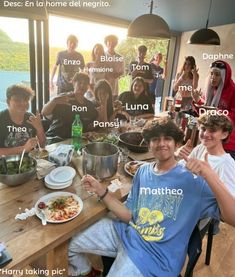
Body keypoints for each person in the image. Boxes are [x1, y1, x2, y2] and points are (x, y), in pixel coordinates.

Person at [68, 119, 235, 277]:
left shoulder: (194, 181)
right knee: (71, 243)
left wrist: (210, 175)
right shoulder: (143, 171)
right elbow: (130, 215)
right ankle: (88, 271)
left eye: (167, 139)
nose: (161, 143)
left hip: (154, 259)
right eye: (155, 139)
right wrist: (101, 190)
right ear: (148, 144)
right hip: (126, 234)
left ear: (176, 144)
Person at [177, 114, 235, 196]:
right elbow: (178, 168)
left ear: (224, 134)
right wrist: (176, 154)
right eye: (203, 129)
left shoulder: (226, 164)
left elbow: (231, 204)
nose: (206, 134)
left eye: (212, 130)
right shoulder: (201, 148)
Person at [192, 60, 235, 159]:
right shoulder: (209, 89)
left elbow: (233, 117)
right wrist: (197, 101)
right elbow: (204, 116)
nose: (213, 77)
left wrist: (215, 112)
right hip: (211, 138)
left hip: (228, 142)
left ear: (224, 77)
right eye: (211, 73)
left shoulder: (233, 90)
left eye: (217, 74)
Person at [42, 73, 98, 142]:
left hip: (74, 140)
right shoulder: (65, 98)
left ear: (88, 86)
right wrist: (54, 101)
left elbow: (91, 124)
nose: (82, 85)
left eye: (85, 83)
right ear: (74, 83)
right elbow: (44, 112)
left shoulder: (89, 105)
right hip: (55, 138)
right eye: (80, 83)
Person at [0, 84, 46, 155]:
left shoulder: (30, 117)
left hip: (29, 162)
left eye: (26, 100)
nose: (23, 103)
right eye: (17, 100)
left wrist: (39, 128)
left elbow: (42, 145)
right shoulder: (1, 119)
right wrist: (23, 148)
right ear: (8, 102)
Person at [104, 35, 125, 100]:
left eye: (113, 42)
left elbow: (122, 72)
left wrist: (116, 74)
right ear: (106, 43)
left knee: (113, 107)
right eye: (109, 42)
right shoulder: (102, 56)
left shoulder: (120, 57)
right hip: (103, 87)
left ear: (116, 43)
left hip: (115, 89)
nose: (111, 43)